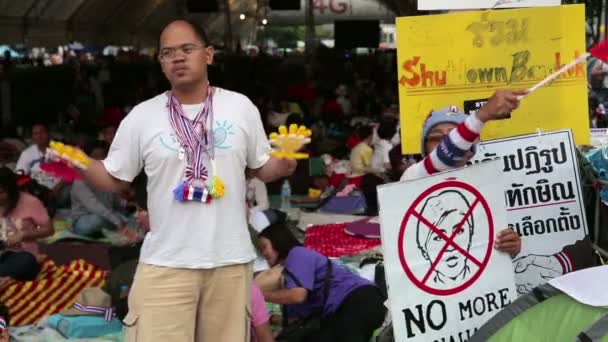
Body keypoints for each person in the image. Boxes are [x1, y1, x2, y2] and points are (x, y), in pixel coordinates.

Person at [76, 19, 297, 341]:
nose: (178, 58)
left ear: (208, 55)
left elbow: (260, 167)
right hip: (167, 261)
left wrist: (283, 165)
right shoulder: (142, 116)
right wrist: (77, 162)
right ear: (161, 63)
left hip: (229, 261)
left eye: (186, 49)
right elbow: (114, 177)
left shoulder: (240, 108)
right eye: (168, 53)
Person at [400, 90, 527, 257]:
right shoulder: (413, 175)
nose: (445, 142)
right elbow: (446, 155)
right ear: (425, 149)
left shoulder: (484, 187)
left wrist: (511, 247)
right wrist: (482, 115)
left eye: (453, 135)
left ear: (470, 151)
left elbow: (489, 251)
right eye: (437, 138)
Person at [259, 223, 385, 342]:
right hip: (350, 308)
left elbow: (297, 296)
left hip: (358, 300)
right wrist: (271, 321)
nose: (263, 253)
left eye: (265, 246)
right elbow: (298, 321)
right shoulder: (293, 275)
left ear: (278, 241)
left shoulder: (297, 254)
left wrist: (258, 295)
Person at [70, 141, 135, 240]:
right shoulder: (80, 179)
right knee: (98, 220)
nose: (99, 160)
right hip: (86, 220)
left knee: (133, 219)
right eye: (95, 157)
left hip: (108, 216)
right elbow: (94, 206)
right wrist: (118, 222)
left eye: (102, 156)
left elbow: (115, 201)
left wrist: (128, 203)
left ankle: (112, 229)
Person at [0, 167, 52, 282]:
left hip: (20, 255)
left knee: (26, 261)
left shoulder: (30, 202)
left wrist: (24, 234)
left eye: (1, 192)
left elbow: (49, 230)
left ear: (11, 190)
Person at [15, 123, 69, 207]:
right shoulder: (27, 153)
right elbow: (19, 175)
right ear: (32, 137)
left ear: (49, 133)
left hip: (59, 191)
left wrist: (57, 188)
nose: (39, 136)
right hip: (36, 192)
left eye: (42, 132)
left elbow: (70, 174)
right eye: (36, 134)